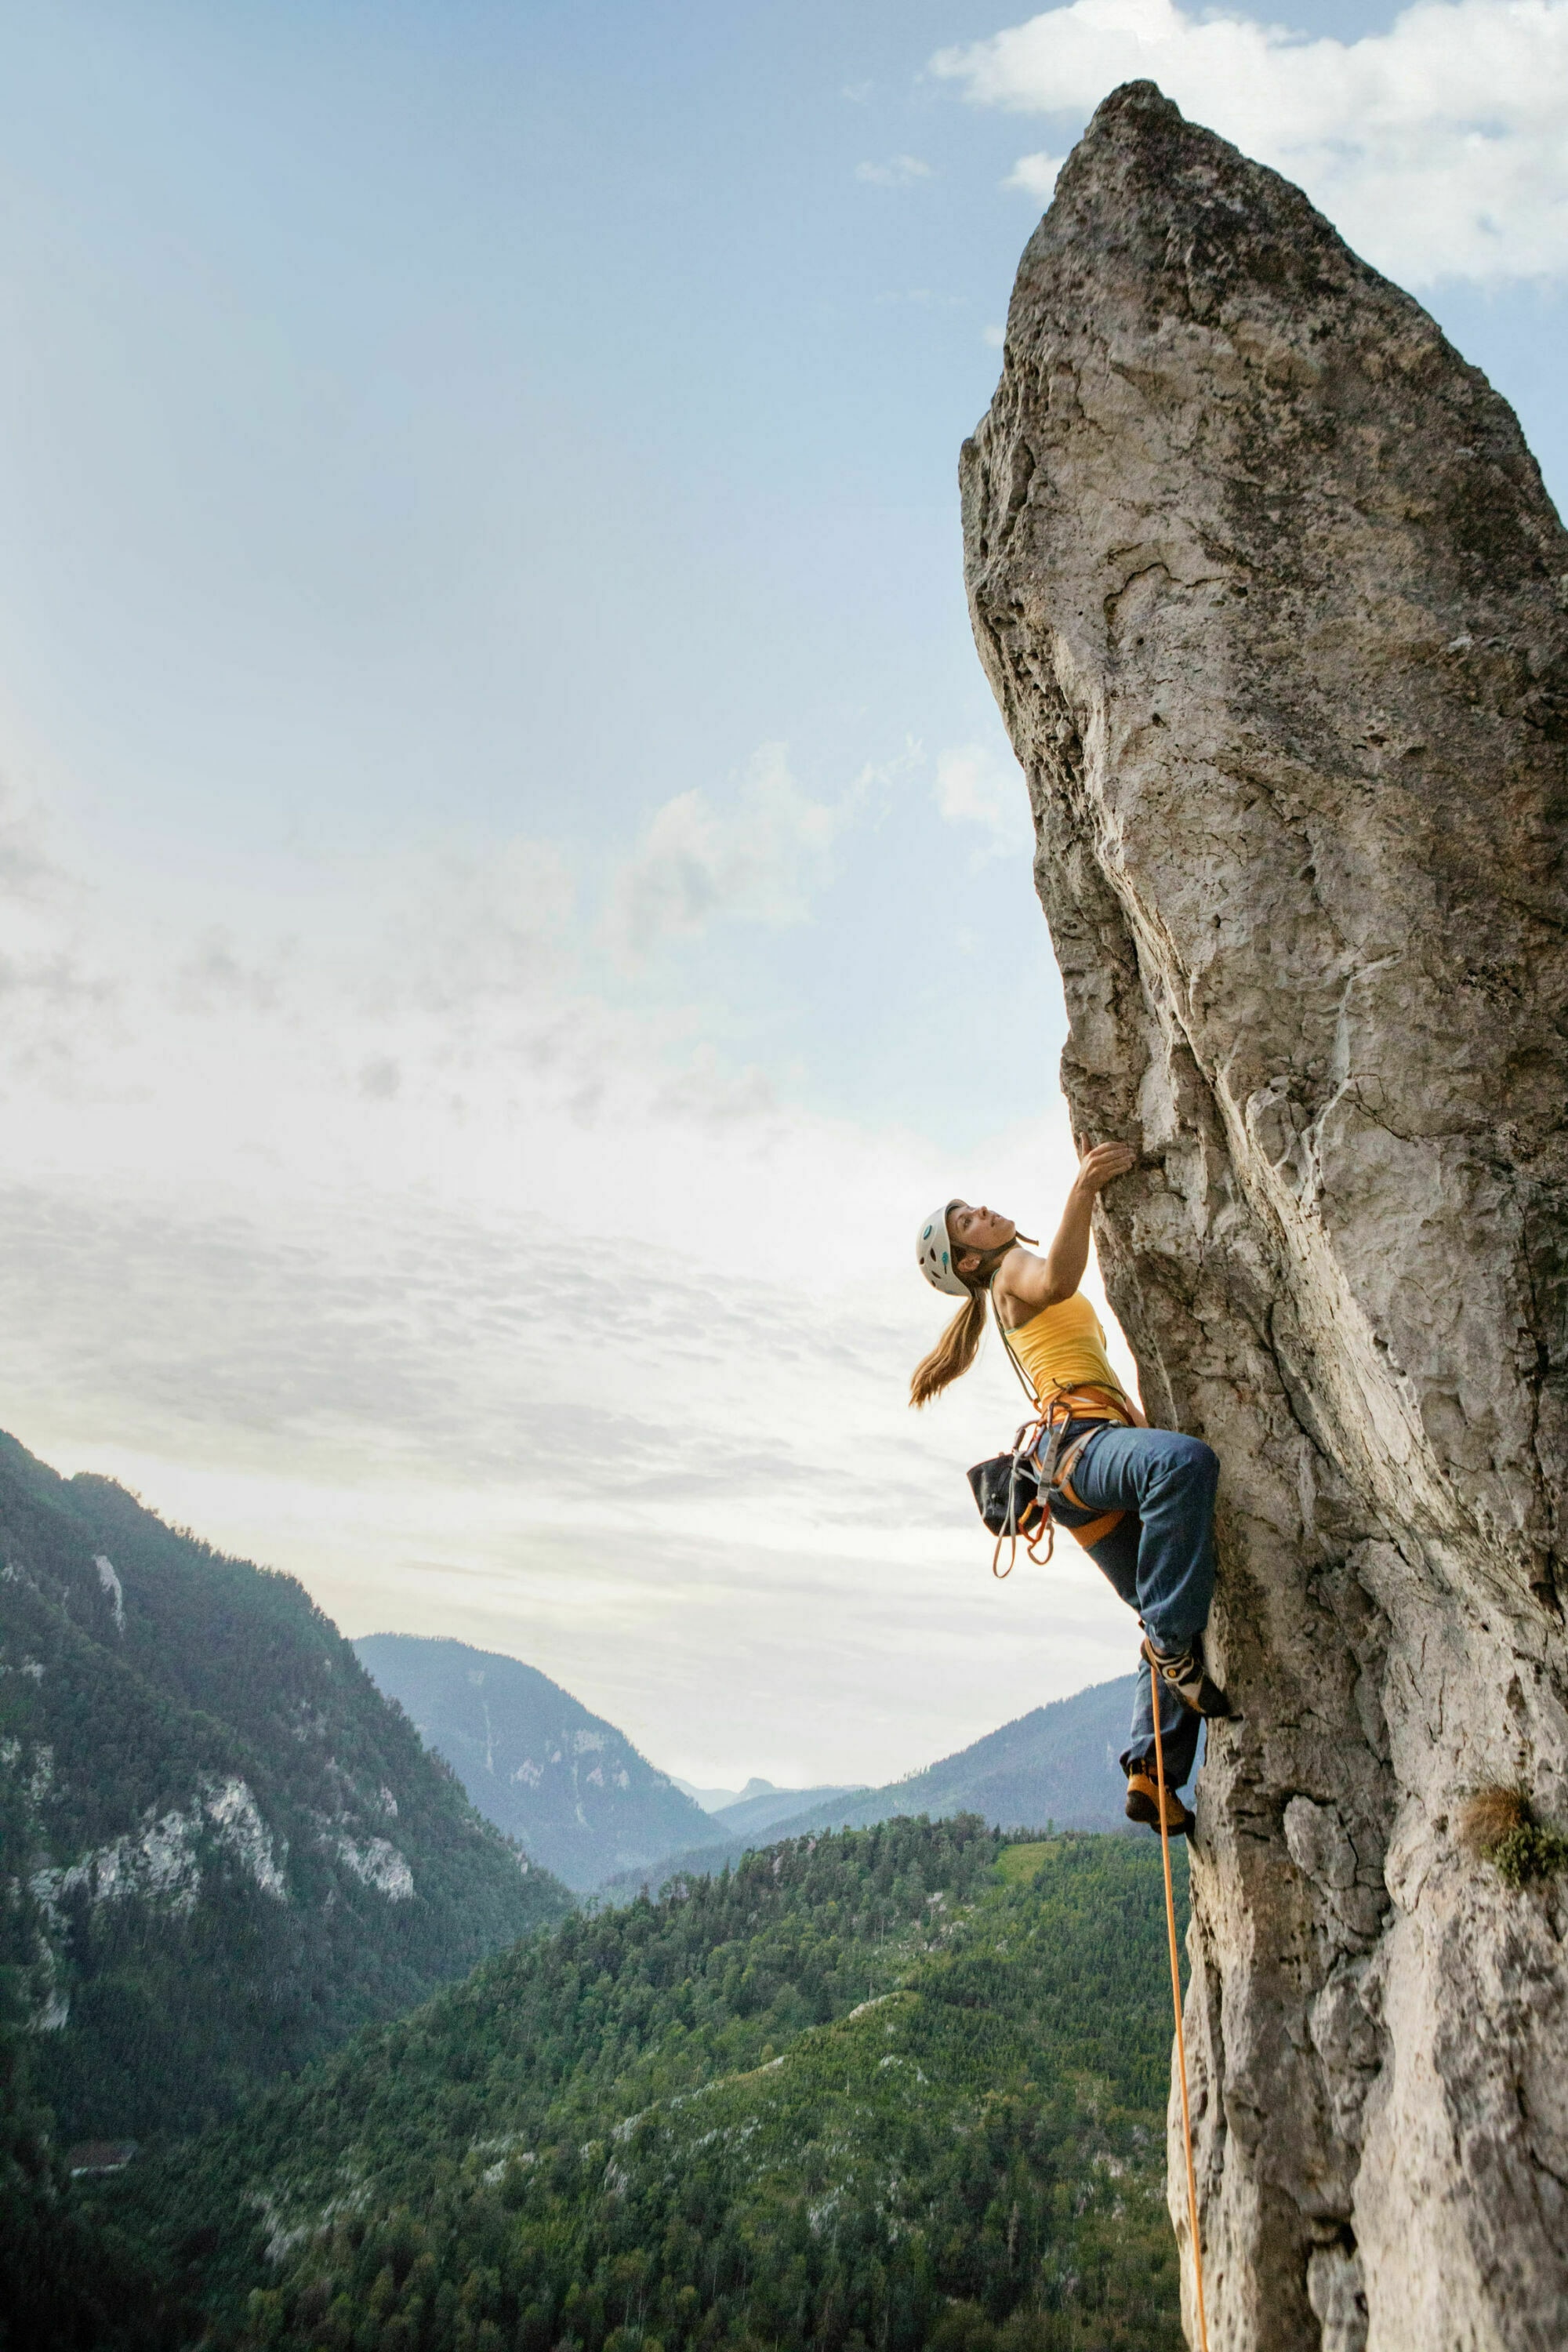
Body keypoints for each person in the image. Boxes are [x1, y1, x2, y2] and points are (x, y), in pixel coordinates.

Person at [911, 1144, 1232, 1837]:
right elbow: (1058, 1279)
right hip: (1078, 1449)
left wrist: (1140, 1429)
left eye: (973, 1207)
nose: (982, 1212)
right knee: (1185, 1468)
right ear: (970, 1260)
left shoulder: (998, 1288)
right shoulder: (1008, 1275)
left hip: (1075, 1465)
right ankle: (1174, 1653)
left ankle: (1153, 1772)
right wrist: (1084, 1184)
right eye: (967, 1221)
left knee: (1160, 1600)